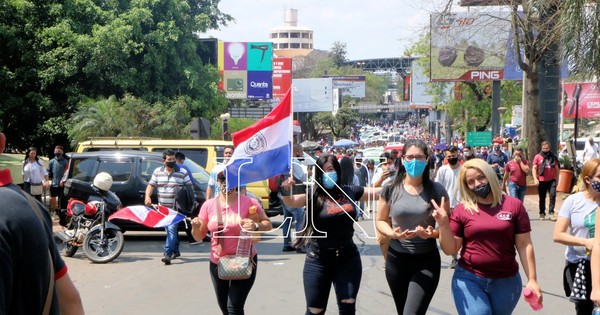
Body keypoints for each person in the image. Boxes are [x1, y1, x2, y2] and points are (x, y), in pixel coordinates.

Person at [433, 159, 542, 315]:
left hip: (507, 281)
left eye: (481, 177)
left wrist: (532, 279)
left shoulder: (514, 205)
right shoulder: (461, 210)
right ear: (466, 186)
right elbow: (451, 248)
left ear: (490, 175)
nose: (477, 184)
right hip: (469, 279)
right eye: (471, 182)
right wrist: (444, 225)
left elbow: (524, 245)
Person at [281, 155, 382, 314]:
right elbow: (291, 201)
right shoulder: (312, 195)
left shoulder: (349, 191)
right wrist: (285, 188)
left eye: (331, 169)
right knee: (315, 310)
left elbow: (379, 193)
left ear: (338, 170)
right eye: (323, 170)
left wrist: (400, 183)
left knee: (348, 305)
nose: (328, 173)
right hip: (318, 260)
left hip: (347, 258)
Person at [0, 132, 84, 315]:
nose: (58, 152)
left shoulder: (48, 164)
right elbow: (71, 301)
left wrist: (48, 182)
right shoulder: (35, 209)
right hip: (27, 193)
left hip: (43, 186)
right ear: (2, 143)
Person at [376, 139, 449, 314]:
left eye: (419, 157)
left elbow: (447, 228)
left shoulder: (437, 191)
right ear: (402, 159)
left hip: (426, 262)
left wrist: (434, 233)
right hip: (396, 261)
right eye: (410, 157)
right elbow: (380, 220)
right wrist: (393, 234)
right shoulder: (390, 188)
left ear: (427, 159)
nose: (414, 161)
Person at [191, 171, 272, 315]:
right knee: (224, 308)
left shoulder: (249, 202)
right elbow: (199, 236)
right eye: (222, 179)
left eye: (230, 179)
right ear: (217, 182)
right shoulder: (208, 205)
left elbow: (268, 224)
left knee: (234, 307)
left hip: (244, 259)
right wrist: (195, 227)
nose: (225, 182)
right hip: (218, 261)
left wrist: (256, 226)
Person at [553, 158, 600, 315]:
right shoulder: (573, 201)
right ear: (588, 179)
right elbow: (558, 234)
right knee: (585, 309)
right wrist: (585, 241)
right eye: (599, 177)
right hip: (579, 264)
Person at [144, 149, 193, 265]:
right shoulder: (157, 172)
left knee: (171, 230)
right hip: (161, 209)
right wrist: (147, 197)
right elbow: (151, 185)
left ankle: (167, 254)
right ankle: (176, 250)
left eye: (173, 159)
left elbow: (190, 188)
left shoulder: (182, 172)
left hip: (175, 209)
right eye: (169, 160)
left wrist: (188, 201)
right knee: (170, 231)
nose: (172, 161)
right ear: (164, 161)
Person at [434, 145, 462, 269]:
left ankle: (464, 256)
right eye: (449, 156)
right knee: (451, 233)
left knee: (464, 232)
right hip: (447, 206)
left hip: (462, 206)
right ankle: (455, 258)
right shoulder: (442, 170)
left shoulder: (464, 169)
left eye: (453, 156)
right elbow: (438, 188)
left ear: (458, 155)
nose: (451, 158)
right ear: (446, 157)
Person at [279, 144, 307, 253]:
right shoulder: (295, 162)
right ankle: (300, 244)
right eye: (302, 151)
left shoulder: (285, 162)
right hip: (293, 194)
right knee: (301, 218)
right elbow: (302, 177)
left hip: (283, 194)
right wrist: (308, 173)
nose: (303, 154)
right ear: (297, 152)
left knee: (287, 219)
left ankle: (287, 244)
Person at [532, 141, 561, 221]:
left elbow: (557, 169)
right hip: (542, 180)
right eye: (543, 148)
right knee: (542, 197)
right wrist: (535, 178)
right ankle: (542, 213)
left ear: (549, 148)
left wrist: (557, 179)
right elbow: (534, 168)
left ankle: (551, 212)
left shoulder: (553, 157)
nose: (545, 150)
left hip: (551, 180)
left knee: (552, 195)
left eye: (546, 148)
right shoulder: (538, 157)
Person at [47, 145, 69, 214]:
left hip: (62, 184)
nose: (57, 152)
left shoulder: (66, 161)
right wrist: (47, 180)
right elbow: (48, 172)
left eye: (59, 151)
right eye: (56, 151)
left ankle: (60, 212)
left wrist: (63, 181)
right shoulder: (51, 161)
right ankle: (55, 210)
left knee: (61, 199)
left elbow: (67, 172)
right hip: (54, 183)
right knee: (52, 198)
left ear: (62, 152)